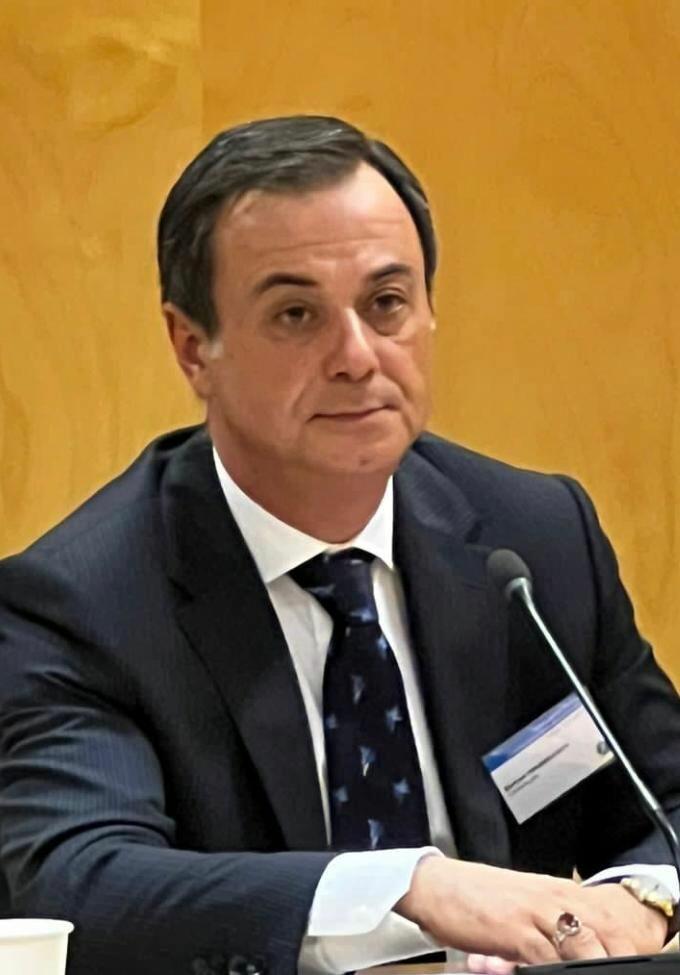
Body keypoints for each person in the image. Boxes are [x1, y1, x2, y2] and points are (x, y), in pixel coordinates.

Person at [0, 115, 679, 975]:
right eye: (296, 314)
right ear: (192, 347)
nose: (357, 357)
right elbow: (76, 882)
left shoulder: (534, 541)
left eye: (386, 303)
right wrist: (407, 884)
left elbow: (664, 800)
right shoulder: (84, 602)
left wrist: (642, 900)